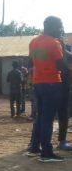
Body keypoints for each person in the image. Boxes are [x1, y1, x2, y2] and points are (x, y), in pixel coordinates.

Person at [27, 16, 66, 162]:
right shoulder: (54, 43)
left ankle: (35, 148)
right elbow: (61, 66)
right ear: (53, 27)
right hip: (52, 83)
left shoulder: (34, 42)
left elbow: (33, 61)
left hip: (39, 83)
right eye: (60, 26)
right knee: (48, 119)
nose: (61, 29)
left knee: (41, 117)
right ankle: (47, 153)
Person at [57, 40, 72, 150]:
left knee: (63, 115)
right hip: (59, 88)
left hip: (63, 89)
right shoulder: (57, 58)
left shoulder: (65, 59)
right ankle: (62, 141)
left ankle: (62, 140)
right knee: (63, 115)